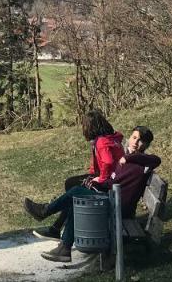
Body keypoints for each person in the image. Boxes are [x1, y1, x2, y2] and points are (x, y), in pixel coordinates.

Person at [22, 110, 124, 263]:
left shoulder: (102, 141)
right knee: (73, 188)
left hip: (111, 193)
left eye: (84, 125)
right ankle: (60, 239)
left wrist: (100, 179)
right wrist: (92, 176)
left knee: (75, 193)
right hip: (113, 189)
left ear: (91, 127)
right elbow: (101, 164)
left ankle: (46, 212)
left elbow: (108, 162)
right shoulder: (109, 139)